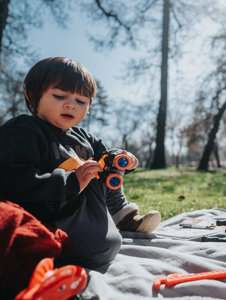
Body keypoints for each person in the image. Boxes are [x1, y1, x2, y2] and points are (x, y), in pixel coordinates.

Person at [0, 57, 161, 269]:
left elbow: (105, 156)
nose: (70, 104)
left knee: (102, 164)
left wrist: (121, 158)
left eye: (81, 101)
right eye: (59, 96)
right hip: (48, 218)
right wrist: (72, 181)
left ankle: (121, 214)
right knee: (84, 169)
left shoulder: (83, 136)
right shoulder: (23, 130)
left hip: (88, 220)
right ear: (35, 96)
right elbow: (14, 182)